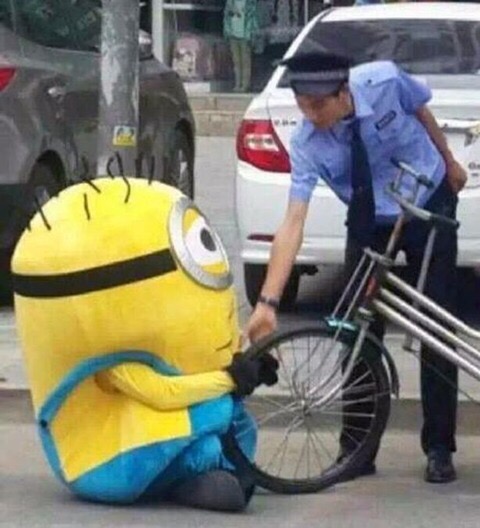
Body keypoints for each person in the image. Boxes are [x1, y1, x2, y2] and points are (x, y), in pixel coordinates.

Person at [245, 52, 467, 484]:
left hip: (427, 199)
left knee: (437, 325)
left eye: (318, 105)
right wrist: (268, 302)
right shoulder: (307, 142)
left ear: (343, 93)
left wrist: (450, 162)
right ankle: (357, 450)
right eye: (303, 106)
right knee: (357, 328)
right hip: (369, 217)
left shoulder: (384, 81)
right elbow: (293, 222)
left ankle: (440, 448)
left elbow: (421, 111)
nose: (311, 116)